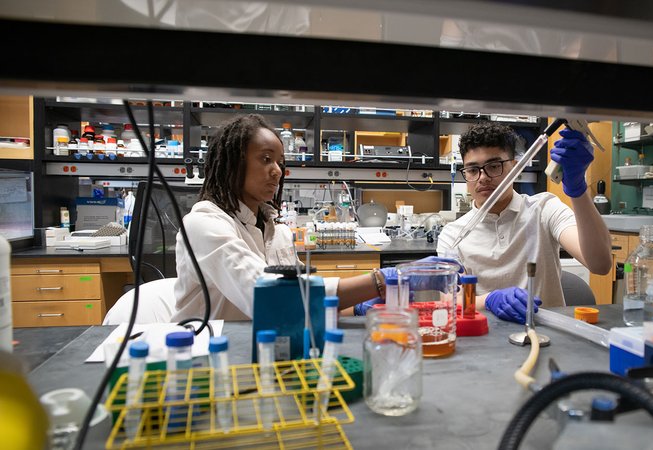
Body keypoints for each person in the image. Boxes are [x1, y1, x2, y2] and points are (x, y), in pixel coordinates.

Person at [172, 114, 426, 321]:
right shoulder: (203, 225)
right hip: (203, 350)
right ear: (232, 163)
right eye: (266, 159)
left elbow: (302, 302)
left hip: (266, 344)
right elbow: (272, 299)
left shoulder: (277, 230)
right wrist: (379, 281)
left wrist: (360, 309)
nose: (277, 171)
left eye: (280, 162)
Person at [437, 122, 612, 323]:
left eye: (494, 166)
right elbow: (451, 302)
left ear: (514, 167)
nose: (482, 177)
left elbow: (600, 264)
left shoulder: (544, 209)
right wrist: (489, 300)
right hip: (486, 336)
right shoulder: (453, 234)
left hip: (547, 334)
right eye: (472, 170)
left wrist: (578, 190)